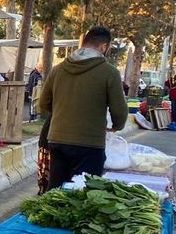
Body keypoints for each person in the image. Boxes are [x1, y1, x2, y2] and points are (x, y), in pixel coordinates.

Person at [40, 26, 127, 190]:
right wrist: (116, 126)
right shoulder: (109, 72)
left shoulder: (57, 70)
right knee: (85, 195)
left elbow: (43, 104)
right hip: (89, 143)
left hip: (57, 139)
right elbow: (120, 111)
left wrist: (63, 114)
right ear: (103, 47)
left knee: (56, 193)